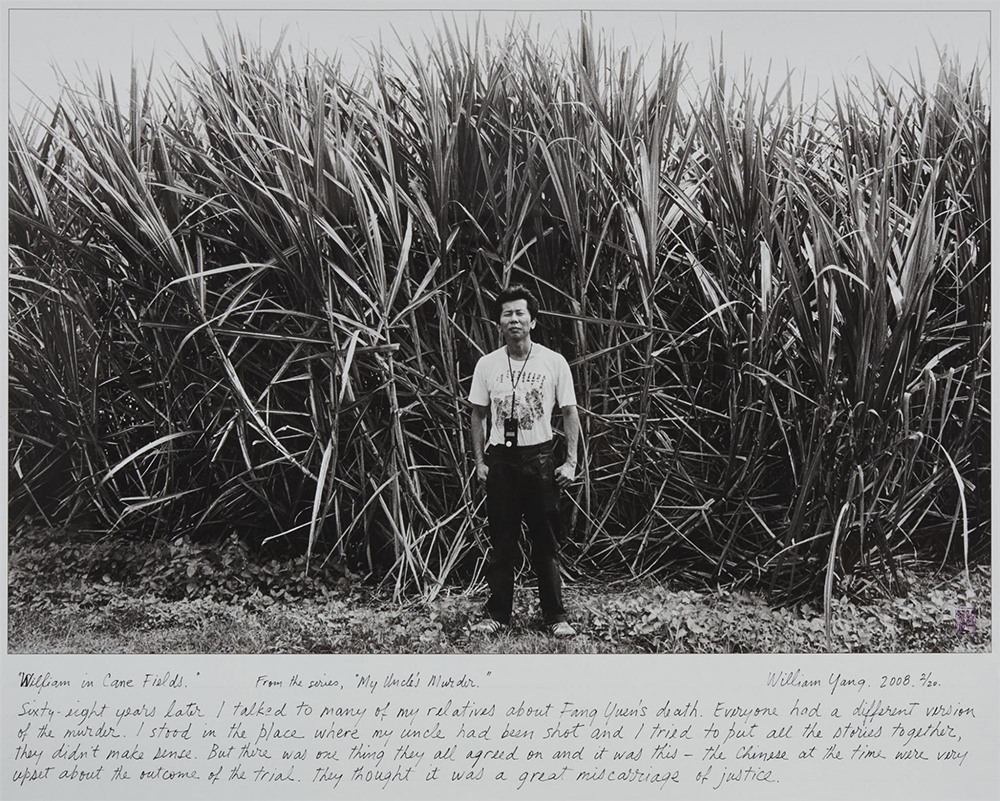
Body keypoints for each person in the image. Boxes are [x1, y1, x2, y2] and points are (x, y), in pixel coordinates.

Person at [468, 284, 581, 638]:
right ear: (499, 323)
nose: (514, 319)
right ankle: (498, 614)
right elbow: (477, 414)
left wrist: (571, 462)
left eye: (520, 313)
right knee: (502, 540)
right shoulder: (487, 365)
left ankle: (556, 617)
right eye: (507, 314)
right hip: (501, 461)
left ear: (532, 320)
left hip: (540, 458)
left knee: (546, 540)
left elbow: (569, 412)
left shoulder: (553, 361)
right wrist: (480, 462)